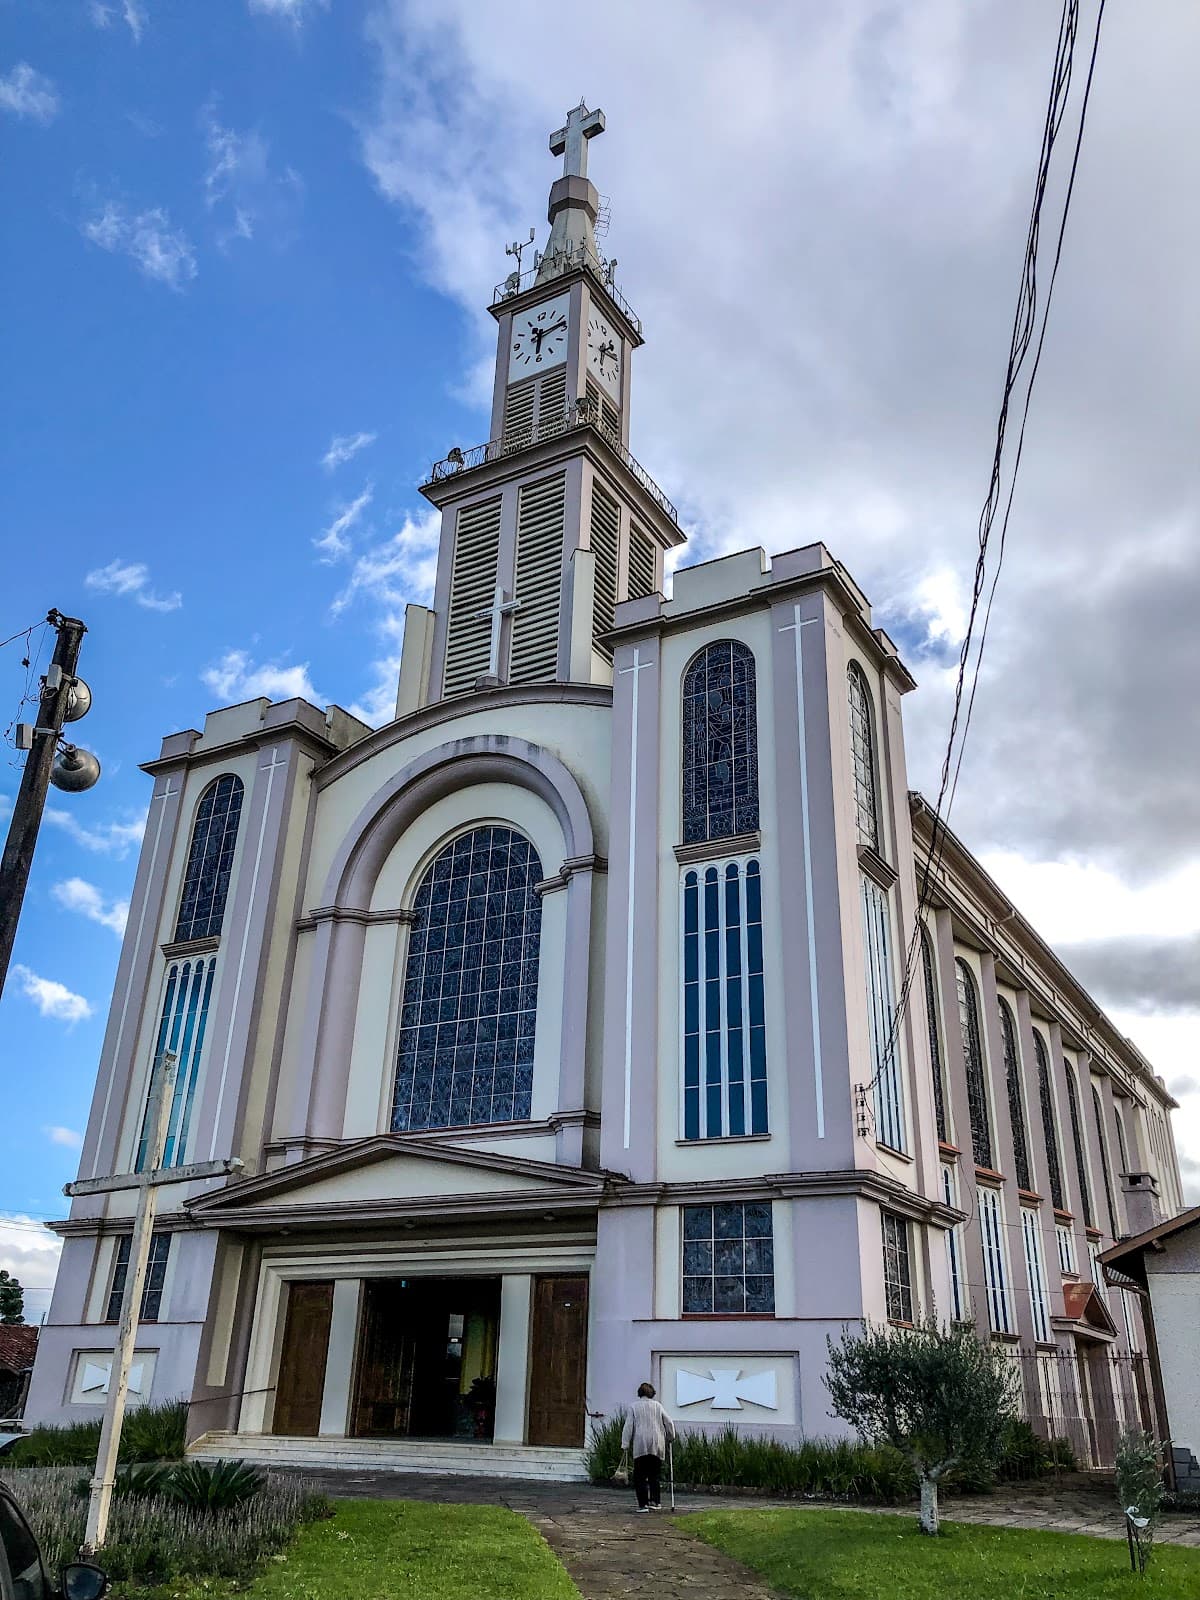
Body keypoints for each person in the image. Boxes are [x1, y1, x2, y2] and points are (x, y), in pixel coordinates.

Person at [620, 1381, 676, 1512]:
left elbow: (628, 1426)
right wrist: (671, 1437)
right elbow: (669, 1422)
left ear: (639, 1393)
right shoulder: (658, 1406)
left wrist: (625, 1443)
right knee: (654, 1474)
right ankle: (655, 1502)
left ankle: (643, 1504)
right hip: (657, 1443)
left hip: (641, 1444)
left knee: (640, 1475)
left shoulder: (634, 1407)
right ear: (652, 1393)